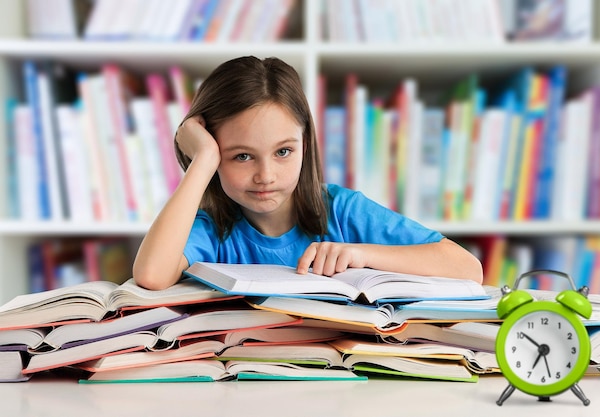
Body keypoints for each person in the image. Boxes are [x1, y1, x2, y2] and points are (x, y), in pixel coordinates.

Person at [133, 56, 483, 290]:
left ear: (305, 143)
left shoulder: (342, 210)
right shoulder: (212, 229)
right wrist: (204, 160)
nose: (266, 175)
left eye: (283, 152)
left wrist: (362, 254)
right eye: (241, 156)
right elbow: (151, 275)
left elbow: (468, 269)